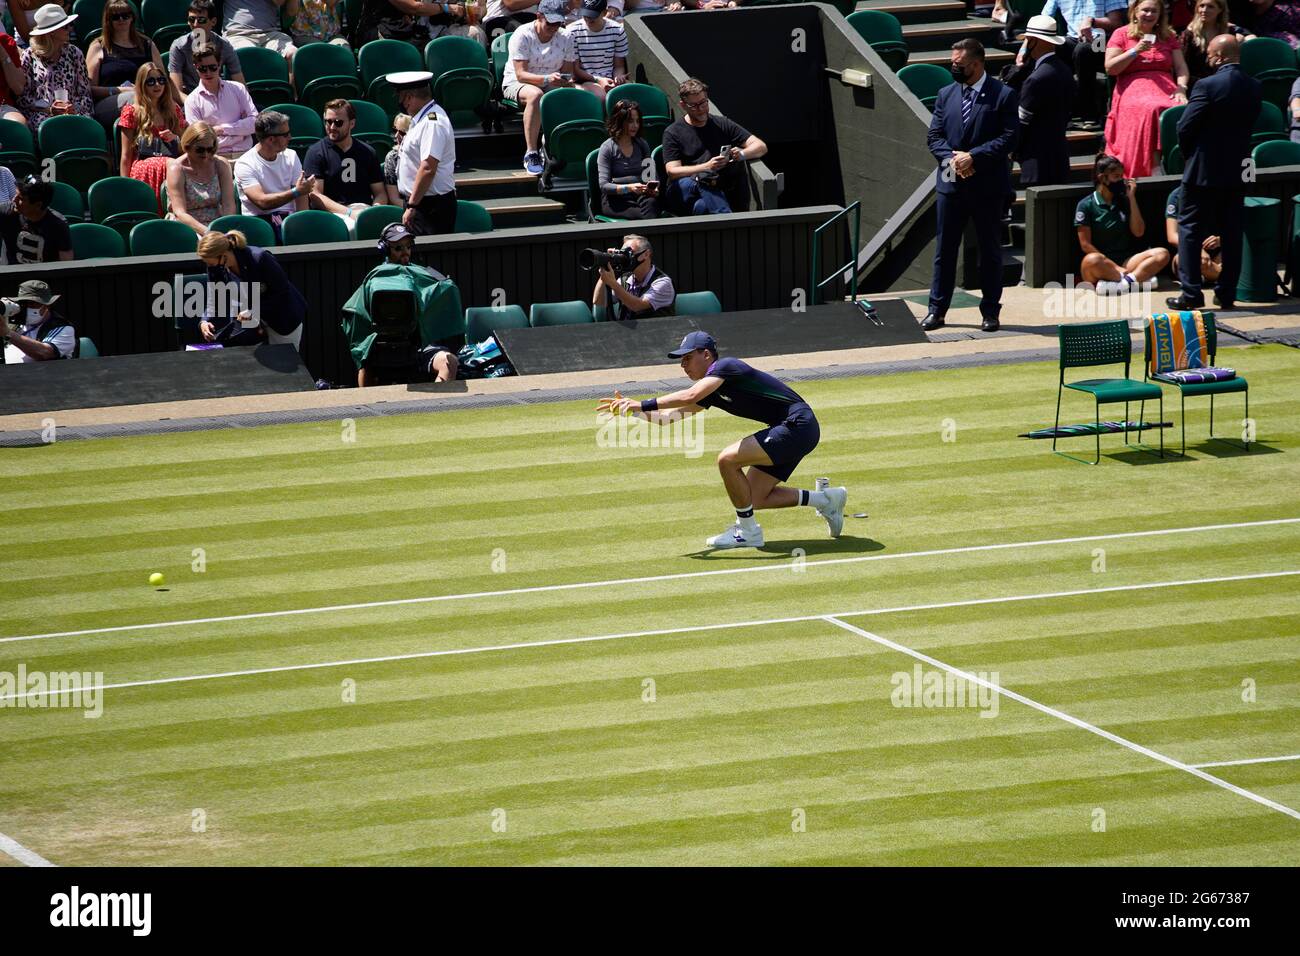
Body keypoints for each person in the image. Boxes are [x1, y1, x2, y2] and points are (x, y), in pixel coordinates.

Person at [597, 331, 848, 550]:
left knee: (727, 460)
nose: (683, 365)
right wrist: (633, 411)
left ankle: (748, 532)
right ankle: (826, 500)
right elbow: (667, 418)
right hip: (791, 430)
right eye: (681, 361)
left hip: (797, 425)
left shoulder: (727, 366)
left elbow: (690, 394)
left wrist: (641, 402)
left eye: (688, 358)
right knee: (755, 497)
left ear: (706, 355)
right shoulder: (712, 392)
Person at [923, 39, 1018, 332]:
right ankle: (937, 311)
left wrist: (973, 157)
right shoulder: (945, 94)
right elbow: (934, 136)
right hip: (951, 185)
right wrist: (952, 159)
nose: (954, 68)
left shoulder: (1003, 95)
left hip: (987, 186)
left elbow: (1009, 138)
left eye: (959, 65)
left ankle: (990, 311)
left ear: (977, 64)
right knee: (945, 251)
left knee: (989, 251)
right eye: (952, 63)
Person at [1167, 33, 1261, 309]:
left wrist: (1191, 156)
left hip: (1203, 170)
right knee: (1232, 231)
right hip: (1239, 168)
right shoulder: (1255, 86)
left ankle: (1191, 294)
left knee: (1189, 229)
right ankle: (1227, 293)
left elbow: (1184, 126)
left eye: (1210, 53)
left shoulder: (1207, 85)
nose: (1208, 57)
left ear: (1219, 56)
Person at [342, 221, 462, 386]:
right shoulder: (374, 278)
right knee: (365, 363)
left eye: (408, 246)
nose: (405, 252)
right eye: (398, 248)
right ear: (385, 249)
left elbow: (448, 287)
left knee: (450, 362)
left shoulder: (425, 272)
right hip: (381, 349)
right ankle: (367, 408)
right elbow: (354, 313)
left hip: (419, 347)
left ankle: (436, 406)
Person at [1103, 0, 1189, 177]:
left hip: (1166, 86)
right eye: (1145, 10)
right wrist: (1135, 51)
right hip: (1132, 86)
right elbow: (1110, 68)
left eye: (1154, 11)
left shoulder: (1168, 36)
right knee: (1153, 108)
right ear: (1135, 12)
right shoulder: (1121, 34)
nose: (1149, 15)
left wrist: (1181, 88)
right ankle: (1153, 165)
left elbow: (1181, 67)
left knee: (1179, 108)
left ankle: (1177, 161)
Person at [662, 77, 767, 216]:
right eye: (694, 105)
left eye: (703, 103)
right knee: (704, 178)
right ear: (683, 105)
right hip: (682, 189)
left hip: (712, 191)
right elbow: (672, 172)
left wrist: (740, 155)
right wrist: (707, 167)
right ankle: (727, 219)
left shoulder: (721, 123)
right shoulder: (673, 132)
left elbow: (761, 146)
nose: (700, 109)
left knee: (703, 206)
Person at [196, 228, 307, 348]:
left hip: (283, 319)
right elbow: (215, 298)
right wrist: (205, 320)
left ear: (224, 255)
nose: (209, 267)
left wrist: (254, 311)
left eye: (211, 264)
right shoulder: (215, 267)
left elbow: (282, 294)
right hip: (251, 327)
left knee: (285, 362)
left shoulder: (260, 258)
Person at [502, 0, 576, 176]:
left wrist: (563, 80)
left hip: (551, 84)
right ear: (539, 16)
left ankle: (564, 150)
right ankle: (531, 152)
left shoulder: (566, 37)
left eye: (558, 23)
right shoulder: (522, 34)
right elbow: (521, 74)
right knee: (536, 95)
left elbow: (567, 74)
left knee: (576, 96)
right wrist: (546, 79)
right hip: (518, 83)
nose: (554, 27)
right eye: (550, 22)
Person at [1076, 154, 1169, 293]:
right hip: (1102, 263)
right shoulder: (1086, 205)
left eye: (1122, 176)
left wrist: (1131, 198)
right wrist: (1114, 267)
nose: (1121, 180)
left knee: (1162, 253)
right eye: (1116, 177)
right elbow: (1085, 244)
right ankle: (1138, 281)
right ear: (1103, 178)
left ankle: (1124, 284)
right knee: (1091, 260)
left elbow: (1139, 232)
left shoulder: (1123, 201)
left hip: (1127, 262)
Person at [1037, 0, 1127, 129]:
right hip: (1074, 38)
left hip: (1102, 40)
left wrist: (1093, 22)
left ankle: (1089, 114)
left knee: (1083, 51)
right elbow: (1042, 20)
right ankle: (1060, 113)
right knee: (1055, 47)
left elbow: (1116, 23)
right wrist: (1025, 48)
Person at [303, 98, 388, 235]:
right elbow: (315, 195)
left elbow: (380, 193)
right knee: (352, 228)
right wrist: (349, 212)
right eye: (328, 122)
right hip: (332, 213)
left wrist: (373, 211)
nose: (332, 127)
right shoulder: (316, 152)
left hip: (363, 209)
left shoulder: (367, 152)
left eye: (338, 122)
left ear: (352, 123)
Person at [388, 70, 458, 234]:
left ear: (409, 97)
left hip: (429, 206)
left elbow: (428, 168)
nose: (401, 102)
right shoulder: (422, 119)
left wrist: (412, 205)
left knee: (429, 256)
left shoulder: (432, 122)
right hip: (420, 202)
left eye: (401, 97)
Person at [1015, 16, 1075, 187]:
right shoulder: (1065, 71)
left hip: (1036, 162)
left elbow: (1022, 121)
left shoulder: (1036, 78)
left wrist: (1013, 149)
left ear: (1033, 41)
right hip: (1059, 158)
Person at [233, 109, 312, 239]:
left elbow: (301, 200)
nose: (290, 138)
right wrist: (296, 191)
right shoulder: (245, 164)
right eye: (285, 134)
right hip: (259, 223)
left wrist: (303, 224)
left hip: (289, 219)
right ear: (270, 139)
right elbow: (262, 202)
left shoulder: (291, 156)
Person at [85, 0, 165, 128]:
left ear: (132, 17)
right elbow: (89, 88)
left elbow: (162, 78)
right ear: (108, 21)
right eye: (115, 17)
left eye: (125, 15)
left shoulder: (147, 44)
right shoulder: (98, 46)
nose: (121, 19)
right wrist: (120, 90)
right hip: (109, 103)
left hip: (149, 97)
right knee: (134, 98)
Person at [118, 63, 187, 211]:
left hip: (171, 162)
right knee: (170, 164)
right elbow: (126, 155)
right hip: (144, 165)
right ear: (142, 85)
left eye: (161, 80)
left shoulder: (173, 109)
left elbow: (184, 149)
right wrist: (125, 186)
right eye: (151, 81)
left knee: (174, 164)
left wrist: (174, 138)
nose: (157, 85)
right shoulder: (132, 111)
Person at [16, 4, 93, 130]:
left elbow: (85, 94)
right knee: (47, 126)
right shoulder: (29, 56)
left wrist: (74, 107)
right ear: (51, 32)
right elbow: (23, 99)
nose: (70, 29)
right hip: (42, 115)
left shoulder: (75, 53)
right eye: (65, 27)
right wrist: (49, 109)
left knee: (85, 123)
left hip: (74, 112)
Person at [183, 43, 258, 160]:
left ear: (219, 65)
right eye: (203, 69)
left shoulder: (238, 88)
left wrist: (221, 129)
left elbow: (254, 123)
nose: (208, 73)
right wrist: (239, 130)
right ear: (195, 68)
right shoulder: (191, 101)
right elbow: (198, 138)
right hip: (214, 158)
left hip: (246, 154)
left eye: (212, 67)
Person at [166, 121, 237, 234]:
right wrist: (209, 233)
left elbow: (229, 204)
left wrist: (225, 229)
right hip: (187, 227)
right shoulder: (177, 169)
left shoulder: (221, 165)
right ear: (187, 146)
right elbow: (180, 213)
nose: (206, 155)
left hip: (217, 224)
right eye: (200, 150)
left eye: (210, 150)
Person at [169, 1, 245, 100]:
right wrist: (196, 106)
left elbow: (241, 85)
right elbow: (176, 93)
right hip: (191, 99)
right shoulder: (179, 47)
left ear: (213, 22)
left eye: (201, 20)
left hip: (219, 98)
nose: (195, 24)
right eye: (191, 19)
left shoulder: (224, 45)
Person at [596, 98, 656, 219]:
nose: (635, 126)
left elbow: (650, 176)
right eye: (630, 121)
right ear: (620, 121)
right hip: (616, 200)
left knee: (652, 203)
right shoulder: (607, 148)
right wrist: (629, 188)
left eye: (637, 121)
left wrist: (653, 188)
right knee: (645, 215)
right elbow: (604, 186)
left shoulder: (642, 145)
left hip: (639, 197)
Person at [590, 233, 673, 319]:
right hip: (625, 332)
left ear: (646, 254)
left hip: (656, 330)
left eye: (630, 253)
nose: (625, 257)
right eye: (623, 253)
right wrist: (605, 267)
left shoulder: (663, 283)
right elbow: (599, 302)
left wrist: (613, 284)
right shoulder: (625, 279)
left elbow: (637, 306)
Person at [0, 176, 73, 264]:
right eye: (16, 195)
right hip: (11, 276)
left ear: (38, 205)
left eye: (21, 199)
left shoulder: (58, 225)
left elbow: (66, 263)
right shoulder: (5, 213)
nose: (14, 200)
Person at [1181, 0, 1254, 87]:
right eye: (1201, 6)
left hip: (1226, 81)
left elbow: (1252, 38)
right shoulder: (1189, 34)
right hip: (1198, 83)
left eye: (1210, 7)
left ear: (1220, 10)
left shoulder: (1229, 30)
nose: (1204, 10)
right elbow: (1183, 65)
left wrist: (1241, 40)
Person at [566, 0, 627, 103]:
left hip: (609, 79)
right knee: (601, 97)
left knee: (630, 95)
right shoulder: (572, 31)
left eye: (592, 16)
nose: (588, 20)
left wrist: (618, 77)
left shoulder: (617, 30)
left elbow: (619, 66)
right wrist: (598, 80)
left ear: (604, 13)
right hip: (586, 80)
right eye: (585, 15)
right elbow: (576, 70)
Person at [354, 0, 483, 48]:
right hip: (377, 32)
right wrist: (448, 8)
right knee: (428, 49)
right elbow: (414, 7)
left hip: (400, 28)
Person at [1, 279, 74, 364]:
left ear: (47, 306)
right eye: (23, 303)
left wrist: (7, 333)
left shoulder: (63, 328)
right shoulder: (13, 324)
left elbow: (44, 353)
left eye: (32, 303)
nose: (27, 307)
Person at [1165, 182, 1221, 284]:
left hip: (1219, 253)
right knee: (1188, 260)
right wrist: (1197, 249)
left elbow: (1236, 228)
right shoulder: (1177, 194)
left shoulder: (1221, 191)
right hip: (1192, 252)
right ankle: (1222, 277)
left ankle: (1213, 276)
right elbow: (1172, 236)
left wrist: (1220, 240)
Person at [223, 0, 298, 66]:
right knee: (250, 55)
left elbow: (286, 7)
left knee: (293, 55)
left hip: (270, 34)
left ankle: (290, 83)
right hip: (239, 34)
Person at [383, 112, 411, 205]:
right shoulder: (392, 157)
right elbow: (394, 199)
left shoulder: (428, 155)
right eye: (395, 131)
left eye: (402, 133)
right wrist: (413, 208)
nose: (396, 136)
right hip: (404, 208)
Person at [0, 27, 25, 126]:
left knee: (18, 125)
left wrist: (3, 55)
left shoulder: (4, 41)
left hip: (2, 106)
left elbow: (18, 88)